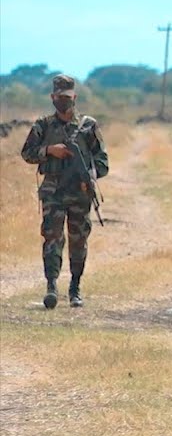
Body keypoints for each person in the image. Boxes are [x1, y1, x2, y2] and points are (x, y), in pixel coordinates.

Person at [20, 74, 109, 309]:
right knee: (52, 238)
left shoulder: (88, 126)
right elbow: (27, 153)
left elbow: (102, 161)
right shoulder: (43, 125)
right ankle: (51, 286)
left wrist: (90, 178)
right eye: (59, 97)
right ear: (52, 97)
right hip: (53, 193)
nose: (63, 101)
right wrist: (50, 150)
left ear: (74, 97)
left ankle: (75, 288)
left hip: (80, 193)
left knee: (79, 240)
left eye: (67, 97)